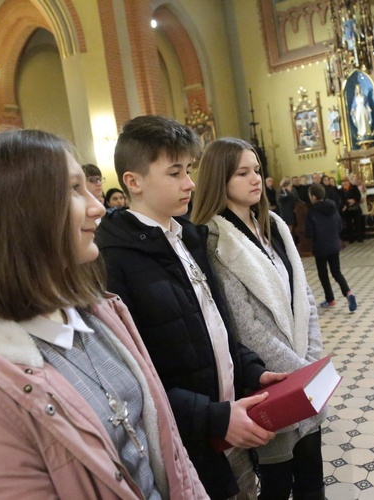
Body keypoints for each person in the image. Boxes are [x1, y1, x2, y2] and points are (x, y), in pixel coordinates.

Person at [0, 129, 207, 499]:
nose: (98, 207)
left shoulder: (99, 312)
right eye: (73, 189)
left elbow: (164, 449)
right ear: (15, 213)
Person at [95, 116, 280, 500]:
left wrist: (251, 369)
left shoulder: (188, 236)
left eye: (190, 169)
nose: (190, 183)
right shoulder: (114, 259)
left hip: (230, 421)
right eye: (175, 172)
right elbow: (137, 377)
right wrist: (213, 418)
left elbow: (214, 324)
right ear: (134, 181)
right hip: (189, 442)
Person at [191, 138, 326, 500]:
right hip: (270, 379)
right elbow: (243, 326)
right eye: (242, 172)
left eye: (257, 171)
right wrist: (298, 374)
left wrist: (310, 364)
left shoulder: (274, 225)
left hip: (301, 370)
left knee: (313, 476)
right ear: (219, 179)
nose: (255, 179)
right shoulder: (216, 239)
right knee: (278, 481)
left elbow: (305, 296)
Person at [306, 184, 356, 312]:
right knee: (337, 272)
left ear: (313, 196)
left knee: (323, 274)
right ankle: (348, 293)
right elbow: (340, 225)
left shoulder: (312, 211)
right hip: (334, 245)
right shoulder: (333, 207)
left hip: (320, 247)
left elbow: (309, 232)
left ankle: (330, 299)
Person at [341, 177, 363, 242]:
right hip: (347, 208)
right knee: (349, 224)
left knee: (357, 223)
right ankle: (351, 238)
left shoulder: (354, 187)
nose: (345, 183)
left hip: (355, 207)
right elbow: (341, 199)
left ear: (348, 181)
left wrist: (354, 200)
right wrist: (347, 202)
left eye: (346, 181)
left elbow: (358, 196)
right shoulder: (341, 190)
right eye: (343, 182)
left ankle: (359, 237)